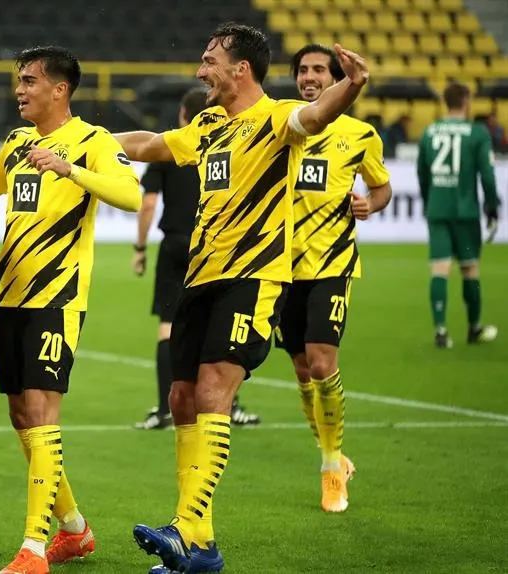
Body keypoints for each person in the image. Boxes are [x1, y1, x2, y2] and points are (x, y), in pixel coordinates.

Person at [113, 22, 370, 573]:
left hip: (253, 280)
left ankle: (186, 528)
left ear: (241, 69)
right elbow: (153, 145)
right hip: (200, 279)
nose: (200, 69)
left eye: (209, 60)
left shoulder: (277, 119)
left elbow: (316, 114)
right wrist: (84, 142)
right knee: (182, 398)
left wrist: (350, 85)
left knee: (212, 393)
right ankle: (201, 548)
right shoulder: (207, 123)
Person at [0, 46, 142, 574]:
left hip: (56, 299)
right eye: (19, 80)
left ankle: (33, 549)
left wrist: (70, 169)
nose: (20, 89)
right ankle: (74, 530)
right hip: (9, 297)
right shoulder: (17, 142)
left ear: (60, 89)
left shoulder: (93, 141)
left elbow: (130, 195)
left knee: (42, 414)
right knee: (21, 415)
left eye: (30, 81)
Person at [274, 44, 393, 514]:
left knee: (323, 364)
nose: (309, 77)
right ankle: (336, 455)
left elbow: (381, 187)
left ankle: (329, 471)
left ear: (336, 76)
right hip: (283, 269)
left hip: (332, 264)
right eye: (302, 70)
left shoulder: (360, 135)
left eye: (319, 69)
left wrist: (371, 203)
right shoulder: (282, 125)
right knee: (303, 372)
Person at [132, 86, 260, 430]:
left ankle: (165, 408)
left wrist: (140, 248)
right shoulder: (230, 144)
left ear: (184, 116)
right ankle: (229, 405)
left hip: (176, 245)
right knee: (220, 326)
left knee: (169, 325)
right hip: (218, 246)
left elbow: (147, 204)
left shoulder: (174, 147)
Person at [417, 81, 500, 349]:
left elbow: (422, 173)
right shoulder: (477, 134)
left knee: (439, 269)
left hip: (438, 209)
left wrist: (429, 201)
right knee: (469, 269)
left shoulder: (430, 132)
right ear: (465, 102)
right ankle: (474, 329)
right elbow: (487, 175)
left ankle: (440, 330)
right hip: (465, 212)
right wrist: (492, 205)